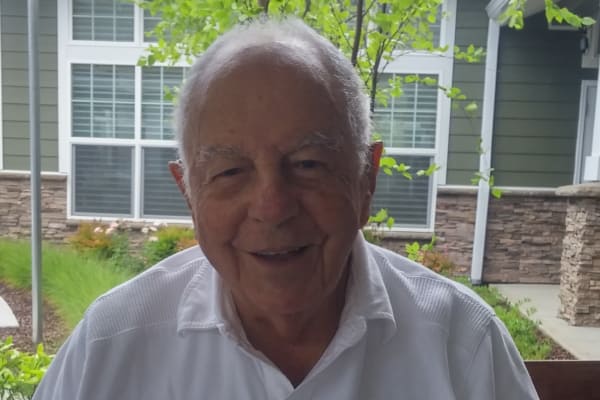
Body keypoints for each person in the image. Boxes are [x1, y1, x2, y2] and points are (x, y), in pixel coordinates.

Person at [34, 17, 539, 399]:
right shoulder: (110, 347)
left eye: (309, 163)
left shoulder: (463, 345)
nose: (272, 207)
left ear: (367, 179)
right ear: (189, 192)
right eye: (230, 172)